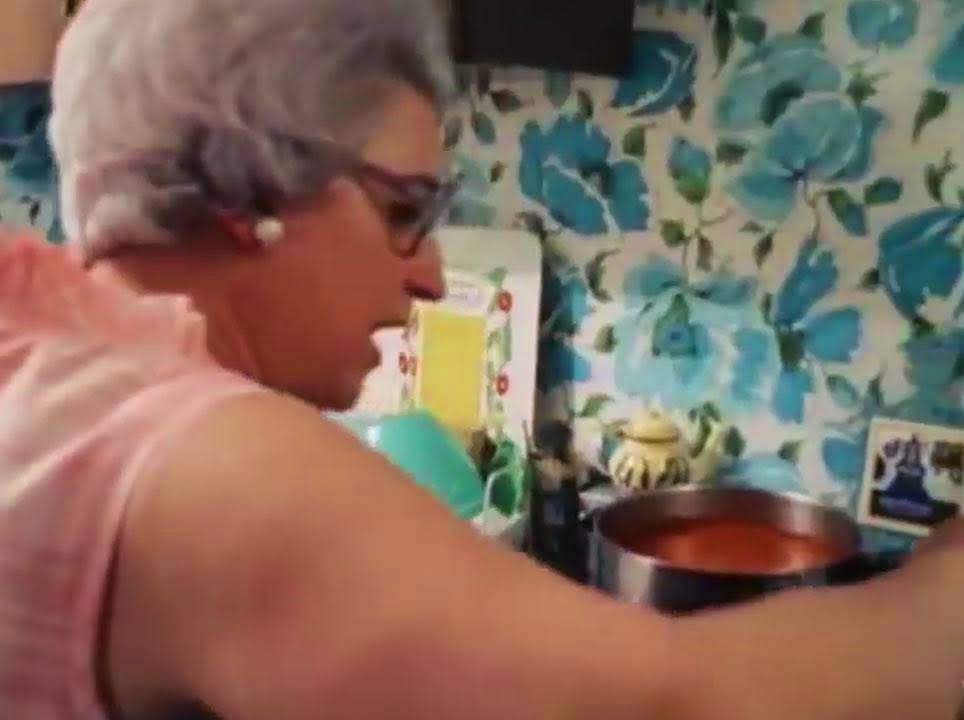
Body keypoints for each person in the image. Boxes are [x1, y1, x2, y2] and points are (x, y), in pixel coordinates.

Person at [0, 0, 961, 718]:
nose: (429, 275)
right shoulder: (204, 468)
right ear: (246, 180)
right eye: (404, 211)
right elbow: (686, 704)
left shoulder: (45, 354)